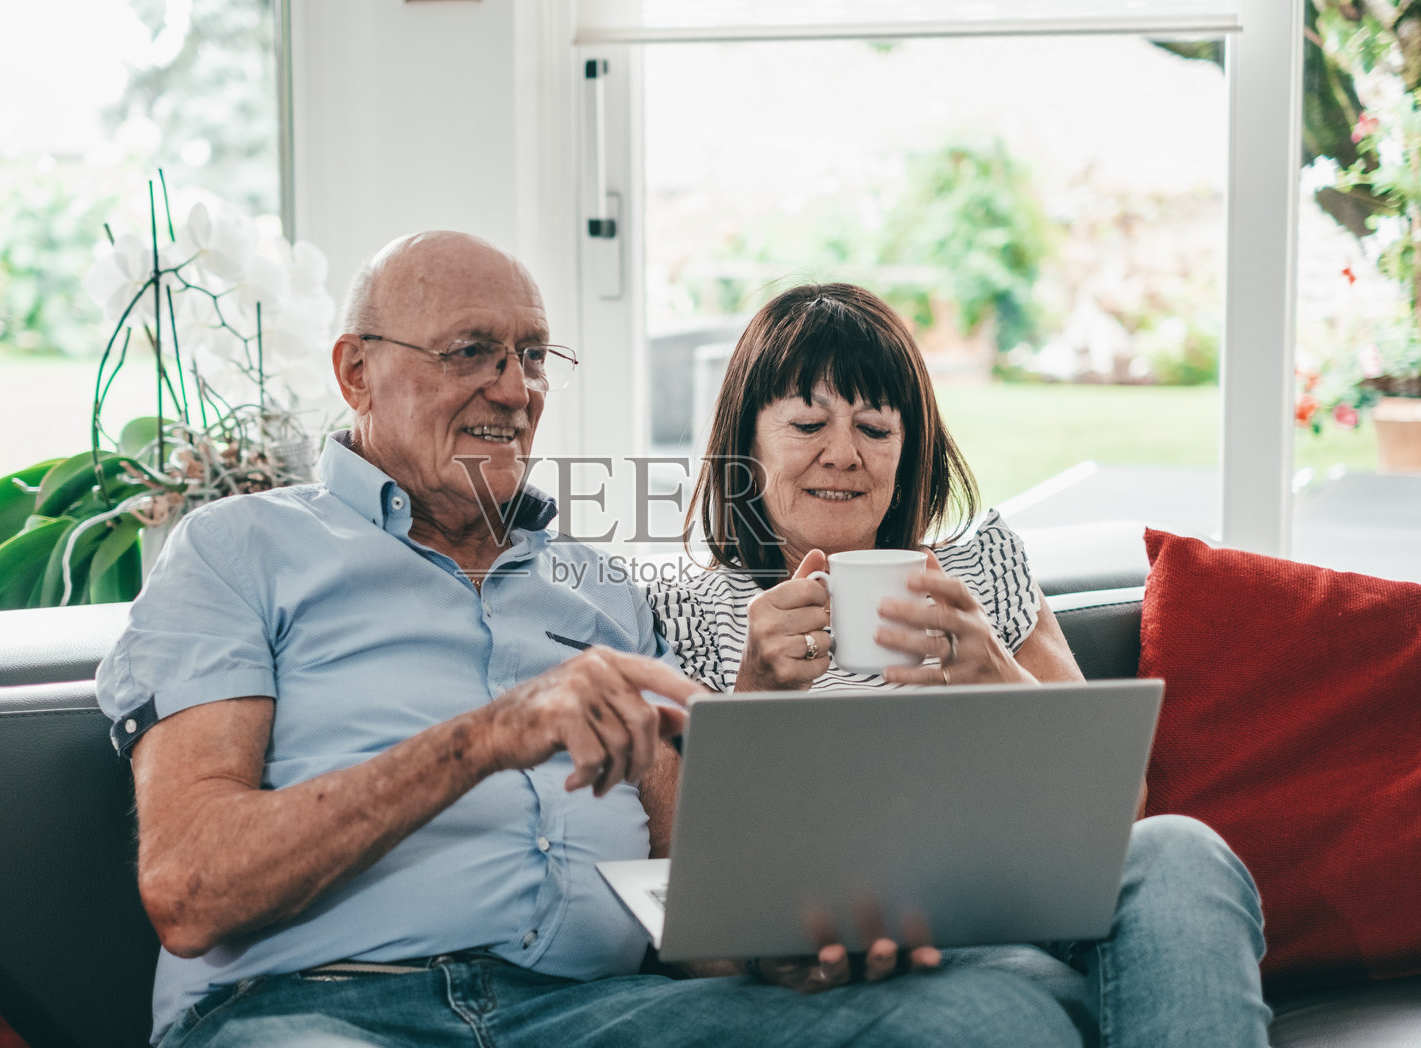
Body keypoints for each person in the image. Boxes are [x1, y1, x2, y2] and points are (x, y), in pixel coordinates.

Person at [97, 235, 1085, 1048]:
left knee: (996, 1013)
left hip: (595, 1014)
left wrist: (771, 945)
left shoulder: (605, 589)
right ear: (356, 370)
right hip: (321, 1009)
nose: (513, 387)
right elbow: (190, 890)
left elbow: (686, 895)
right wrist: (482, 737)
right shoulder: (239, 549)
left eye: (532, 356)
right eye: (470, 352)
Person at [647, 282, 1273, 1046]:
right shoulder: (690, 611)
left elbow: (1121, 813)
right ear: (745, 442)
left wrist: (997, 676)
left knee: (1181, 848)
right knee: (1030, 1014)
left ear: (909, 448)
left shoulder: (980, 566)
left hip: (1028, 909)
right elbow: (689, 902)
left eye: (875, 428)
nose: (842, 454)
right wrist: (755, 691)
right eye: (808, 422)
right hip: (859, 961)